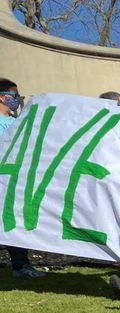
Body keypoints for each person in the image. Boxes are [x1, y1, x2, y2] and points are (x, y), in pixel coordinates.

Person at [0, 78, 44, 279]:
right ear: (2, 97)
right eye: (14, 95)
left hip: (13, 182)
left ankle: (21, 265)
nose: (17, 99)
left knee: (14, 222)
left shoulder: (16, 121)